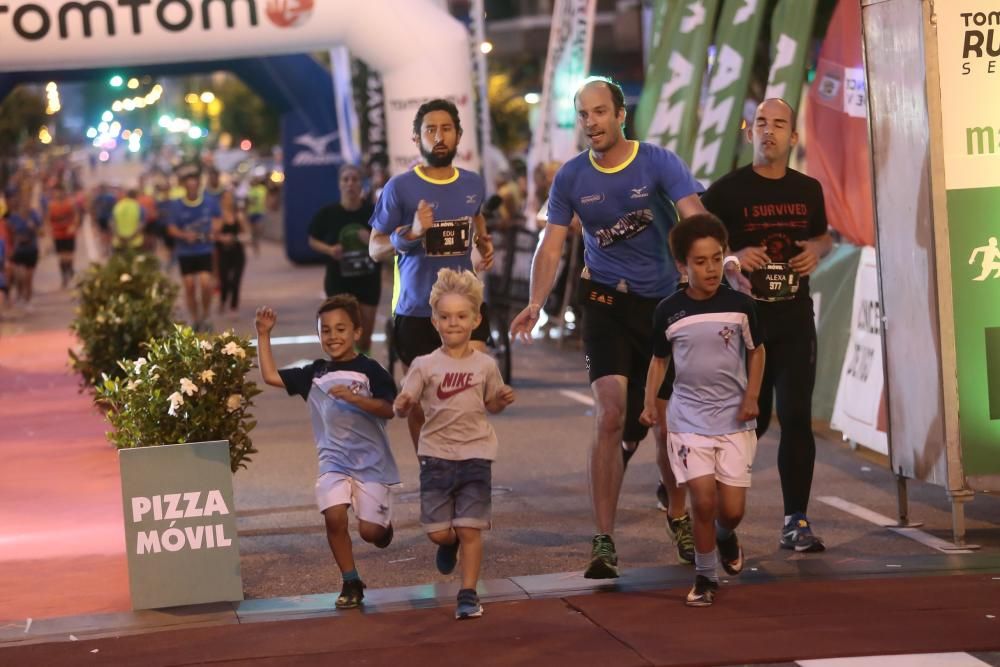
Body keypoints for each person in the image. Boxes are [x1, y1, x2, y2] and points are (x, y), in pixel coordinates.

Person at [509, 76, 706, 578]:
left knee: (660, 421)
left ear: (621, 115)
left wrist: (710, 273)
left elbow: (692, 217)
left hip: (661, 307)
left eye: (600, 112)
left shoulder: (658, 162)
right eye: (583, 115)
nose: (591, 122)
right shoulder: (572, 177)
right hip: (602, 302)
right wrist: (537, 301)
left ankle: (678, 515)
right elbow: (551, 244)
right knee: (611, 415)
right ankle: (603, 540)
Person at [701, 98, 833, 553]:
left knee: (796, 416)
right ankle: (719, 514)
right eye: (761, 123)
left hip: (795, 318)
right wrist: (734, 259)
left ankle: (796, 519)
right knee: (746, 424)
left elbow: (823, 235)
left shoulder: (808, 189)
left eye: (779, 124)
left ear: (793, 138)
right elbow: (695, 244)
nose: (769, 131)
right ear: (749, 132)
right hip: (743, 326)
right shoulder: (726, 191)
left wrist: (818, 250)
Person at [640, 214, 765, 607]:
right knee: (703, 501)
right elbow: (659, 361)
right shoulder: (669, 311)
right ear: (682, 266)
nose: (710, 269)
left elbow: (757, 351)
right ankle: (705, 576)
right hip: (688, 419)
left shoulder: (741, 305)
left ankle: (727, 538)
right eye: (699, 262)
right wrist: (649, 404)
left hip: (734, 420)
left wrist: (752, 397)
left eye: (716, 259)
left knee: (731, 510)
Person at [255, 294, 398, 610]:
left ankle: (383, 529)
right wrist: (263, 335)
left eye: (341, 329)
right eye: (326, 331)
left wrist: (357, 399)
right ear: (318, 335)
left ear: (357, 332)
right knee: (334, 517)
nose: (333, 336)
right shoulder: (313, 374)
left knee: (369, 532)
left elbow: (389, 409)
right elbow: (270, 376)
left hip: (370, 463)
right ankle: (350, 580)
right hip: (333, 461)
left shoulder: (371, 371)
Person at [368, 98, 495, 448]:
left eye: (446, 129)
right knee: (423, 404)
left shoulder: (473, 184)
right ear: (416, 138)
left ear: (458, 136)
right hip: (417, 311)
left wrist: (484, 243)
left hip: (467, 307)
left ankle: (465, 464)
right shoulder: (400, 188)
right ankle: (431, 469)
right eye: (430, 130)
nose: (439, 136)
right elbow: (375, 248)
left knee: (468, 393)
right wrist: (410, 233)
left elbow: (477, 215)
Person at [393, 268, 515, 620]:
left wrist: (501, 400)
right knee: (439, 532)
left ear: (476, 320)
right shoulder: (424, 365)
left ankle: (468, 593)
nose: (453, 324)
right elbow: (407, 402)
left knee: (470, 528)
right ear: (434, 322)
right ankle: (448, 545)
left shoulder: (486, 365)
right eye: (445, 317)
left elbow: (490, 404)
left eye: (461, 317)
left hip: (476, 454)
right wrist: (402, 405)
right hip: (435, 456)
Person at [308, 164, 380, 353]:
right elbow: (312, 240)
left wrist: (371, 238)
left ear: (361, 184)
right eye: (345, 179)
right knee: (339, 337)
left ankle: (365, 376)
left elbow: (389, 240)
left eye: (354, 179)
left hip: (368, 280)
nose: (350, 184)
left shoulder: (374, 212)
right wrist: (330, 249)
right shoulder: (328, 213)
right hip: (338, 281)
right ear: (339, 184)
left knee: (363, 339)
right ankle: (342, 375)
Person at [168, 165, 221, 331]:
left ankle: (206, 315)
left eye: (195, 184)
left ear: (199, 185)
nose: (192, 188)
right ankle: (195, 318)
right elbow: (171, 227)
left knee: (206, 284)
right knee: (189, 286)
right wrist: (185, 236)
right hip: (186, 252)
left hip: (204, 249)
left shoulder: (209, 202)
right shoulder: (176, 205)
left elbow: (218, 220)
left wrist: (213, 231)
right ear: (184, 186)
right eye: (188, 185)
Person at [216, 190, 250, 318]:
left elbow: (247, 234)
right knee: (224, 280)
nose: (228, 201)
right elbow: (213, 234)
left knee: (236, 280)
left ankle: (234, 306)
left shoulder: (238, 216)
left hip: (237, 252)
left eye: (231, 198)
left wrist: (236, 238)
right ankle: (223, 300)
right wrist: (222, 237)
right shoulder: (218, 217)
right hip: (223, 253)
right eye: (226, 198)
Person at [7, 193, 42, 310]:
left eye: (26, 205)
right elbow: (10, 234)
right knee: (19, 276)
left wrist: (35, 228)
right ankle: (19, 296)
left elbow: (41, 231)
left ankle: (28, 300)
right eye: (22, 205)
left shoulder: (34, 216)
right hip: (18, 251)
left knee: (29, 278)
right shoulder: (13, 218)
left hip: (32, 249)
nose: (24, 207)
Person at [45, 183, 79, 289]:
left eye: (60, 191)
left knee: (69, 256)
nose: (58, 194)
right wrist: (48, 232)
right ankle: (64, 276)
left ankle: (70, 270)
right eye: (56, 192)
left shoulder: (70, 204)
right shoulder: (51, 205)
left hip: (69, 233)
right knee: (61, 257)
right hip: (58, 234)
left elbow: (76, 216)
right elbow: (48, 219)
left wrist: (73, 226)